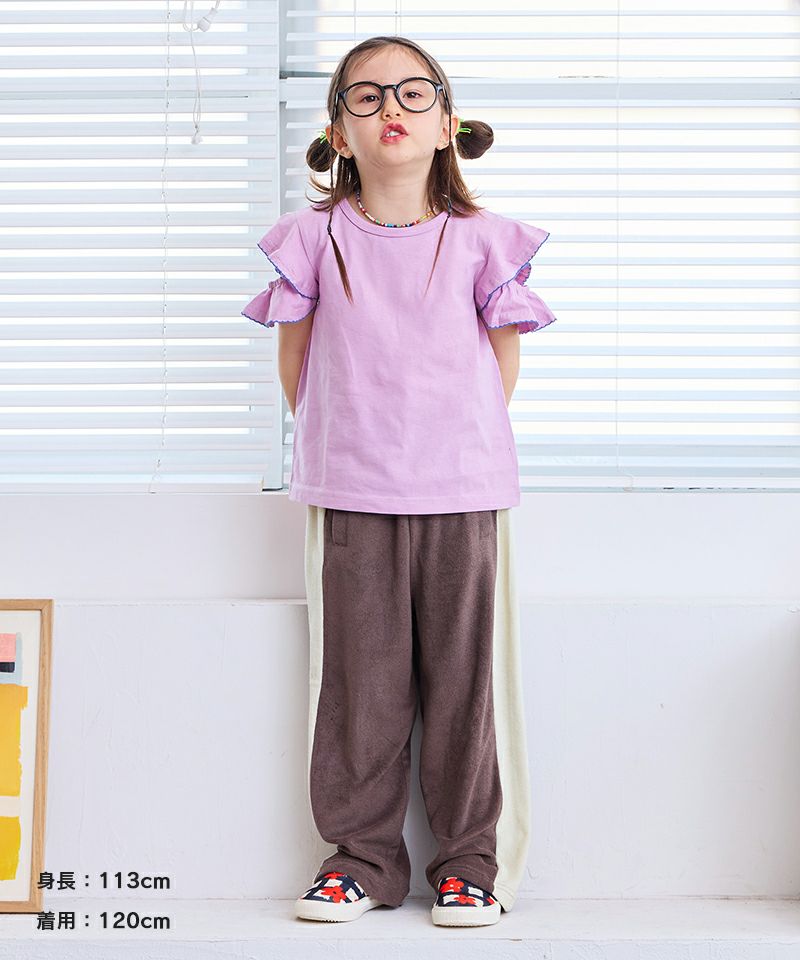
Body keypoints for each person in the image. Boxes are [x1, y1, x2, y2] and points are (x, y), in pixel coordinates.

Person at [241, 35, 557, 928]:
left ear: (448, 125)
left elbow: (499, 365)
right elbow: (298, 364)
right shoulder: (312, 239)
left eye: (414, 94)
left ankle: (469, 863)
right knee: (360, 685)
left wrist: (443, 445)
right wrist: (356, 444)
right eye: (368, 95)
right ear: (338, 130)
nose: (392, 109)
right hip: (352, 491)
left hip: (462, 491)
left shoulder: (484, 242)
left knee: (466, 683)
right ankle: (362, 860)